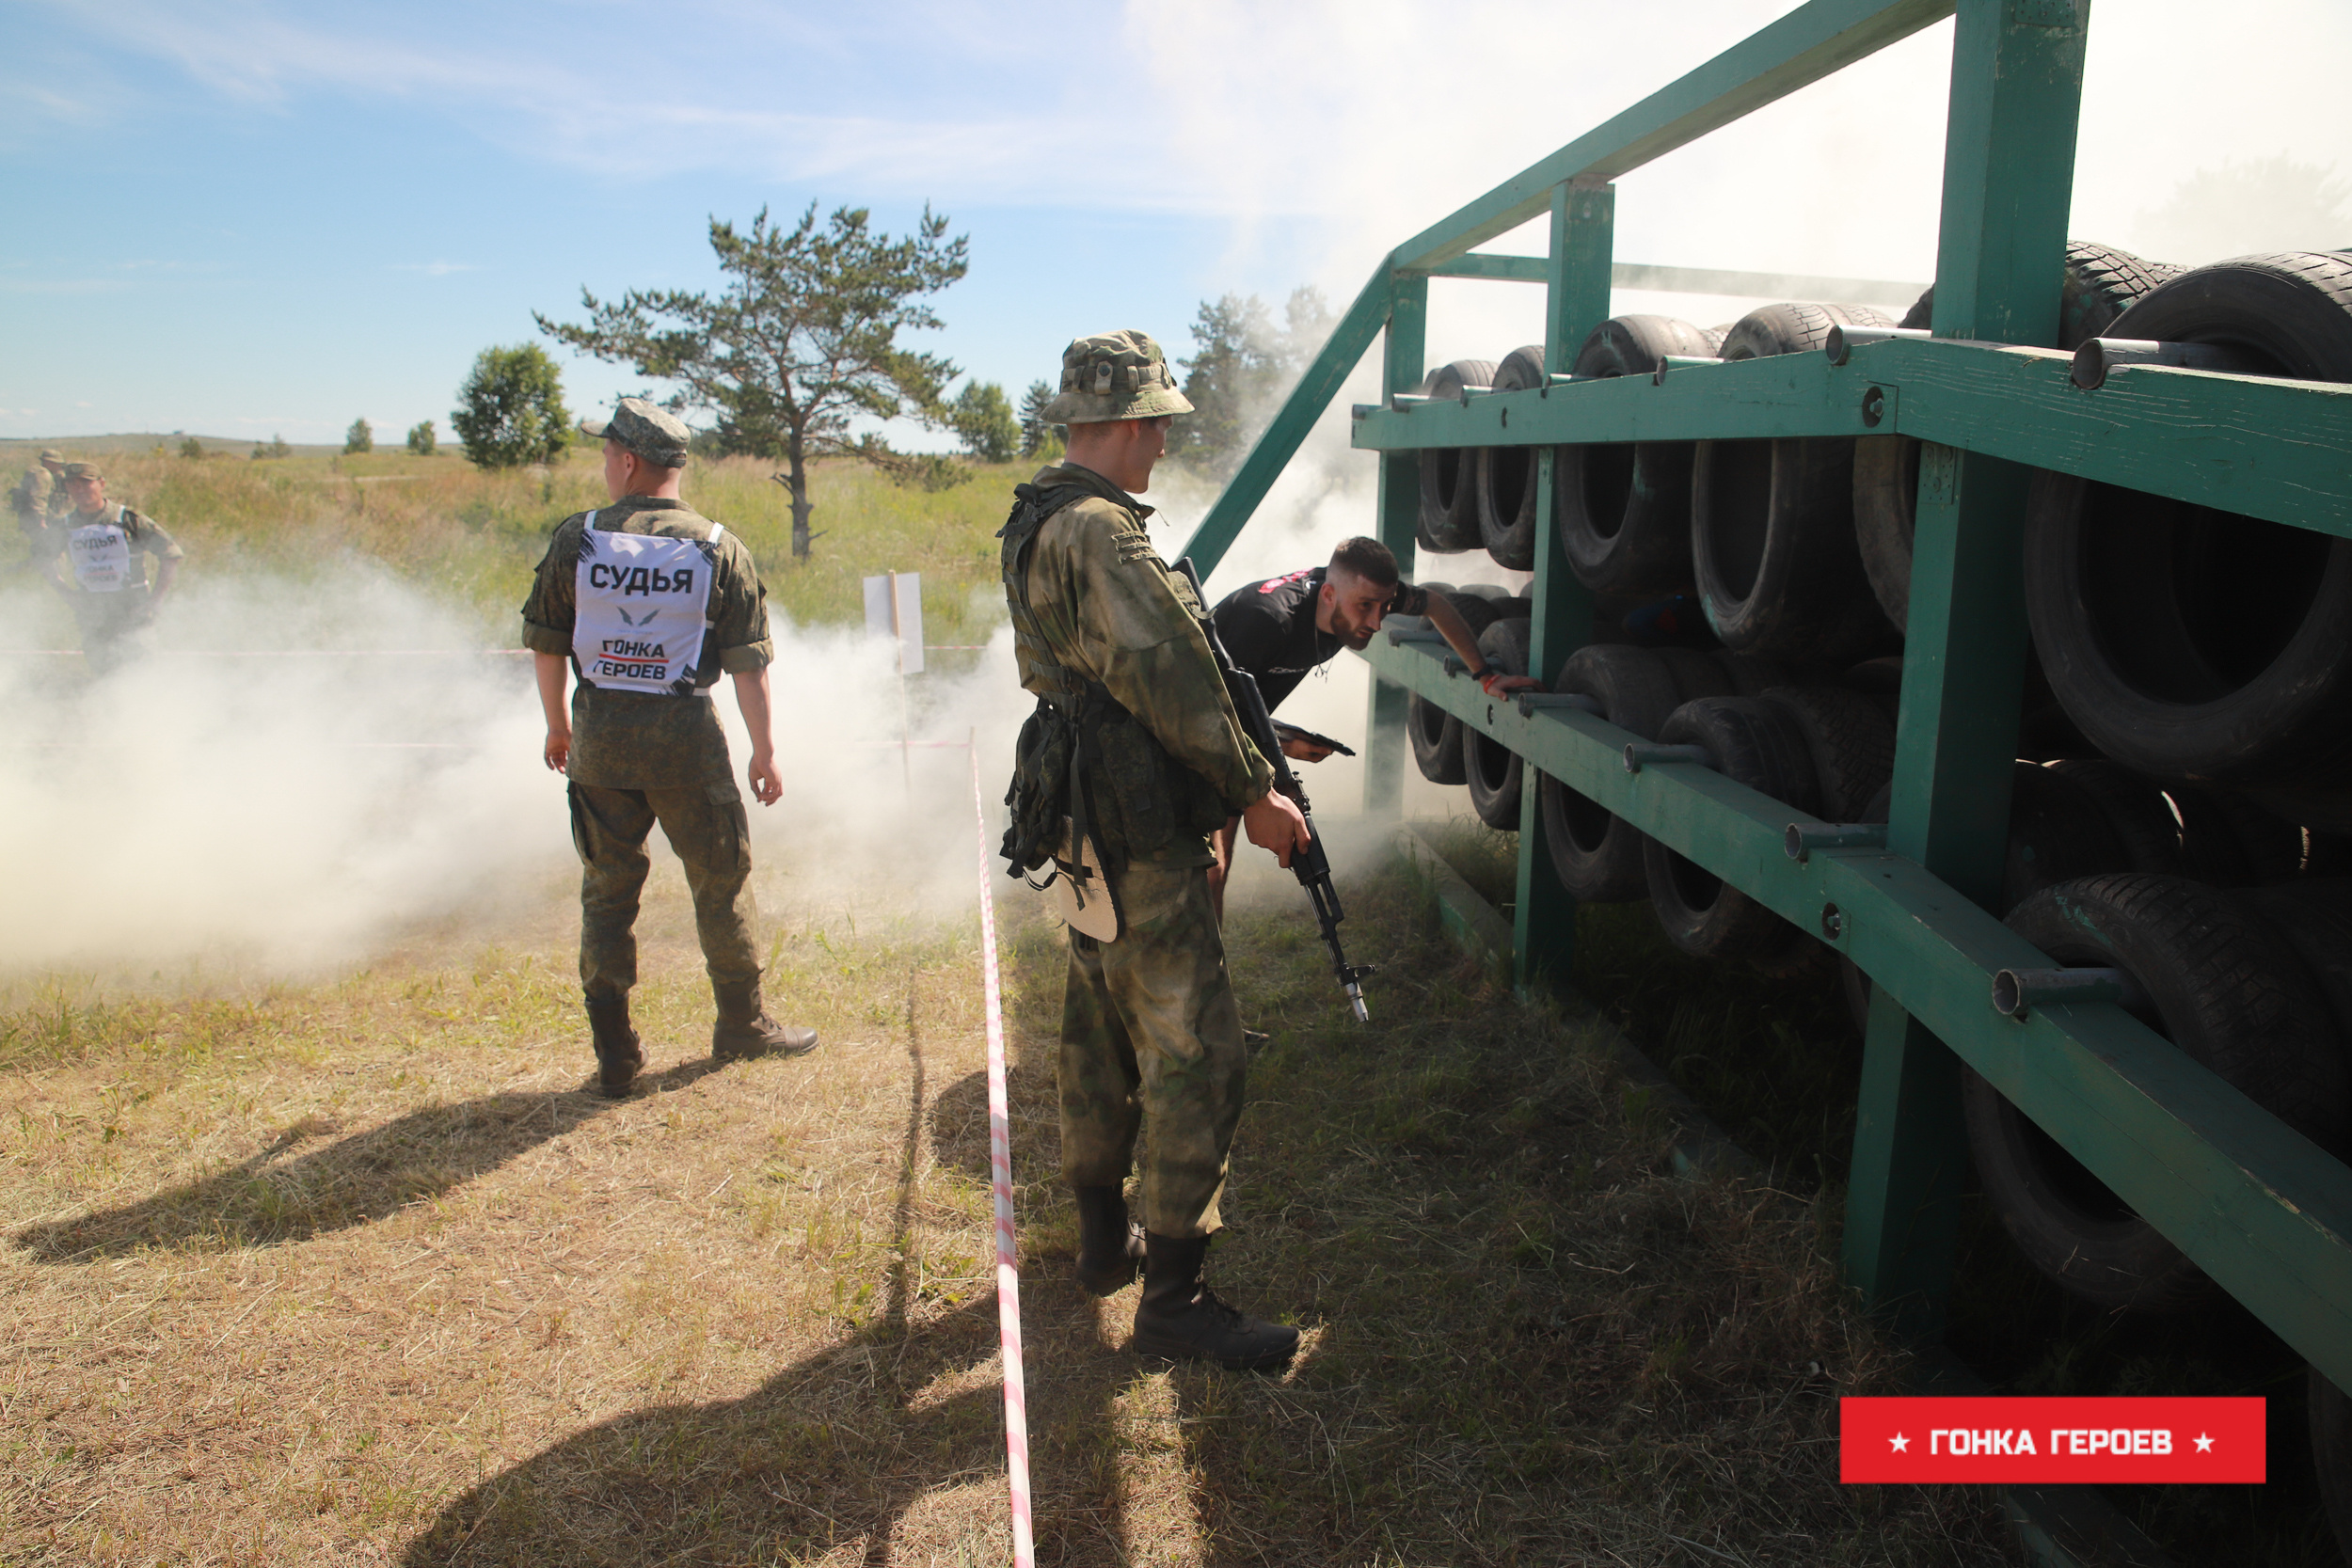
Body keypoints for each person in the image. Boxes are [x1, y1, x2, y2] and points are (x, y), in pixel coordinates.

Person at [1000, 329, 1311, 1370]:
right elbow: (1176, 680)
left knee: (1095, 1022)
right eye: (1161, 429)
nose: (1164, 449)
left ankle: (1102, 1242)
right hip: (1134, 821)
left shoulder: (1036, 514)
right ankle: (1175, 1298)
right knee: (1197, 1054)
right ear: (1131, 422)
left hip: (1081, 811)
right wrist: (1255, 794)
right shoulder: (1103, 534)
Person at [521, 397, 818, 1100]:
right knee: (722, 882)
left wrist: (557, 725)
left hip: (599, 745)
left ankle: (615, 1053)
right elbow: (750, 666)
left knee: (607, 890)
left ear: (628, 461)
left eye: (606, 455)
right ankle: (742, 1025)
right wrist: (764, 751)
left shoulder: (578, 538)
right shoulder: (721, 546)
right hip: (687, 744)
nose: (604, 465)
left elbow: (546, 644)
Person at [1203, 536, 1538, 916]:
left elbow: (1435, 603)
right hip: (1191, 735)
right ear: (1328, 594)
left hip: (1229, 729)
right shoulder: (1267, 621)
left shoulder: (1355, 602)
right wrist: (1278, 747)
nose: (1377, 622)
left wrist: (1485, 676)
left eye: (1386, 606)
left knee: (1215, 872)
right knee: (1209, 871)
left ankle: (1210, 974)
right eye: (1365, 607)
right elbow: (1209, 710)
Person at [36, 462, 183, 673]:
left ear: (101, 483)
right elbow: (42, 557)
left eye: (86, 483)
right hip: (92, 615)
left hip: (133, 612)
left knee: (143, 674)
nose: (80, 489)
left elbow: (171, 554)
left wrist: (155, 600)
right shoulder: (64, 526)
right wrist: (64, 591)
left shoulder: (128, 520)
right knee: (103, 676)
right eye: (74, 485)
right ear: (67, 488)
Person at [10, 449, 68, 544]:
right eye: (58, 464)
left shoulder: (36, 472)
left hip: (28, 514)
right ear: (49, 463)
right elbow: (39, 498)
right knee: (44, 543)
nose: (59, 467)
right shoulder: (43, 475)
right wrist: (41, 520)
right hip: (36, 517)